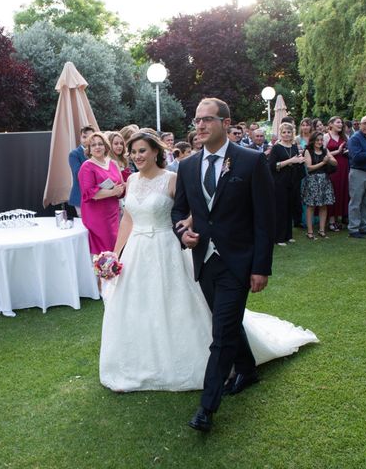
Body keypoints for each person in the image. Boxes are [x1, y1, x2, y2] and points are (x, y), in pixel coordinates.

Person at [99, 130, 317, 402]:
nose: (137, 156)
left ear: (156, 151)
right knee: (138, 306)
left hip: (170, 248)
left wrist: (187, 226)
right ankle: (138, 364)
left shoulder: (172, 179)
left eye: (142, 150)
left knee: (180, 305)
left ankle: (217, 360)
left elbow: (195, 209)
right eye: (133, 152)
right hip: (137, 252)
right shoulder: (129, 180)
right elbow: (128, 221)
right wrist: (116, 254)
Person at [172, 98, 275, 432]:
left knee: (221, 334)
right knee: (227, 324)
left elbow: (264, 219)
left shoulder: (251, 161)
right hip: (204, 260)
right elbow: (179, 212)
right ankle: (247, 369)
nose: (200, 126)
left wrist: (261, 267)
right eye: (197, 119)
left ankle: (207, 407)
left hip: (239, 262)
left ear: (226, 123)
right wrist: (182, 232)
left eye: (207, 120)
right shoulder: (187, 166)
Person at [78, 132, 125, 255]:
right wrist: (113, 192)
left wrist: (120, 190)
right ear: (89, 149)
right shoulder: (87, 167)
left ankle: (114, 272)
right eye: (93, 145)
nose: (97, 147)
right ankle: (103, 272)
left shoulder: (113, 163)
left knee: (115, 247)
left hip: (113, 213)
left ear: (105, 146)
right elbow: (90, 193)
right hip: (97, 216)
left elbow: (121, 184)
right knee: (103, 251)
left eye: (100, 144)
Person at [267, 122, 305, 245]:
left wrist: (299, 160)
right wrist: (291, 160)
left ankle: (288, 235)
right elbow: (272, 166)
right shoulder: (276, 148)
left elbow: (295, 161)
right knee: (280, 209)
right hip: (279, 182)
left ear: (292, 133)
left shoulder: (294, 147)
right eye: (284, 132)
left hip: (292, 181)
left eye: (289, 132)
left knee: (290, 208)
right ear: (280, 134)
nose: (286, 134)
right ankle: (279, 238)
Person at [302, 132, 337, 239]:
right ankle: (310, 231)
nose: (320, 142)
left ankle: (322, 230)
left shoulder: (325, 150)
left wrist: (329, 159)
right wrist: (323, 162)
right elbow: (309, 167)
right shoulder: (308, 151)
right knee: (311, 206)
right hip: (312, 180)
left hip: (325, 180)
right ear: (313, 140)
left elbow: (335, 163)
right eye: (317, 140)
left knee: (324, 205)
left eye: (321, 140)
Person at [323, 116, 349, 232]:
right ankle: (331, 221)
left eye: (341, 123)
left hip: (344, 166)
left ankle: (339, 218)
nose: (340, 124)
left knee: (342, 192)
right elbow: (321, 153)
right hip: (332, 168)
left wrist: (346, 151)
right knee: (333, 192)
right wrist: (337, 152)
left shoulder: (345, 137)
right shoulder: (326, 136)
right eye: (338, 122)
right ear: (331, 124)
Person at [68, 125, 95, 216]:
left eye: (90, 137)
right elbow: (78, 174)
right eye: (84, 136)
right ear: (80, 137)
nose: (86, 139)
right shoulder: (74, 154)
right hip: (80, 196)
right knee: (84, 225)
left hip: (95, 195)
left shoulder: (97, 152)